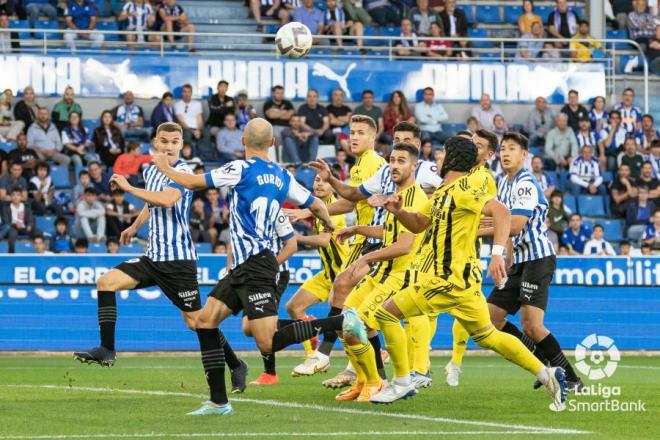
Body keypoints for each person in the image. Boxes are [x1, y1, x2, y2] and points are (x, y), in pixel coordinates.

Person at [324, 136, 568, 407]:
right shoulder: (442, 192)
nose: (439, 157)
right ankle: (548, 374)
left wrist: (497, 254)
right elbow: (418, 224)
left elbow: (500, 212)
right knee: (487, 335)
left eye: (444, 153)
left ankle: (402, 382)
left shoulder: (465, 188)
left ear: (452, 158)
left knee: (384, 314)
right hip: (462, 283)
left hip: (447, 278)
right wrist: (399, 211)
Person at [151, 118, 333, 415]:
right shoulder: (283, 175)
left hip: (257, 263)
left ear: (243, 142)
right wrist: (329, 225)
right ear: (273, 144)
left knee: (267, 341)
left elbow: (194, 183)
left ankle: (339, 324)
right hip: (246, 266)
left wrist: (163, 166)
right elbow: (316, 205)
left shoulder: (239, 168)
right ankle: (218, 402)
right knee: (205, 321)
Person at [74, 122, 250, 409]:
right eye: (164, 141)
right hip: (153, 257)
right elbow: (150, 204)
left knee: (197, 322)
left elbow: (166, 200)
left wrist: (128, 187)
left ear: (181, 144)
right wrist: (134, 225)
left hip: (178, 263)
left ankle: (235, 364)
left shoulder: (184, 173)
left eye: (174, 142)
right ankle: (107, 349)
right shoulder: (151, 170)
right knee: (106, 282)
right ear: (154, 142)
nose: (168, 146)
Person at [285, 115, 390, 387]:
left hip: (376, 239)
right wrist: (307, 211)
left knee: (349, 303)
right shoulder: (359, 166)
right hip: (363, 240)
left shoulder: (374, 164)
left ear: (373, 137)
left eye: (361, 133)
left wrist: (306, 212)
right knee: (346, 303)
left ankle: (332, 357)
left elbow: (349, 202)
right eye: (351, 132)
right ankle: (364, 372)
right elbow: (351, 202)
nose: (354, 137)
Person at [331, 142, 430, 400]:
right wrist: (357, 229)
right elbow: (390, 233)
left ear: (414, 165)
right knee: (344, 322)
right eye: (392, 160)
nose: (395, 165)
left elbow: (405, 245)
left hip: (400, 275)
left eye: (401, 161)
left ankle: (380, 381)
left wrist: (365, 259)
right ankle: (364, 381)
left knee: (359, 323)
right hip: (382, 273)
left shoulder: (416, 198)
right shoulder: (395, 196)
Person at [287, 171, 348, 377]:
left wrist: (294, 238)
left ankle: (377, 355)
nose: (319, 184)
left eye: (324, 181)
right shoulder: (315, 207)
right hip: (328, 274)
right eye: (316, 180)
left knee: (345, 326)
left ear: (333, 185)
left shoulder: (335, 209)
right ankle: (314, 355)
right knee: (294, 307)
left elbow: (323, 240)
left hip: (344, 276)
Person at [174, 84, 206, 152]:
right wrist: (192, 131)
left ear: (191, 93)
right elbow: (181, 121)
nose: (187, 94)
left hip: (196, 128)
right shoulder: (177, 105)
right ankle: (188, 156)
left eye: (189, 92)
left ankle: (205, 156)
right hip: (185, 128)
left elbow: (199, 119)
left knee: (206, 132)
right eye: (185, 92)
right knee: (187, 132)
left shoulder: (197, 104)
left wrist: (198, 130)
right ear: (182, 93)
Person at [2, 186, 35, 253]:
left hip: (24, 227)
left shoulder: (26, 207)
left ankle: (40, 253)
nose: (16, 197)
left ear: (21, 197)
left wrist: (30, 225)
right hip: (13, 227)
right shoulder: (6, 208)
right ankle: (11, 254)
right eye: (13, 195)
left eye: (18, 195)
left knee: (38, 232)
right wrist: (15, 225)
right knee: (12, 234)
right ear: (11, 197)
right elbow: (6, 222)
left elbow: (31, 218)